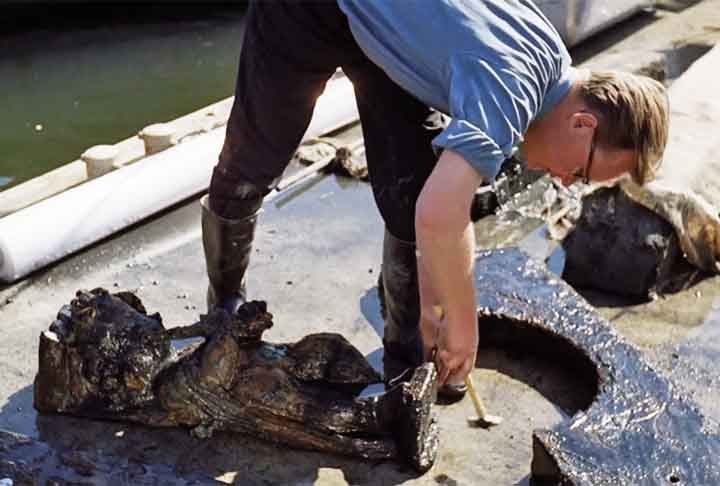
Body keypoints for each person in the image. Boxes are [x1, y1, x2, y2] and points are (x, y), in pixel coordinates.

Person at [201, 0, 669, 399]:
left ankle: (409, 357)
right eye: (581, 172)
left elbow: (430, 207)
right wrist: (464, 326)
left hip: (385, 29)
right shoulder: (512, 89)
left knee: (413, 182)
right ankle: (223, 306)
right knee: (254, 159)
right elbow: (440, 218)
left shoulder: (549, 54)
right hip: (307, 10)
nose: (567, 184)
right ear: (583, 124)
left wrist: (437, 308)